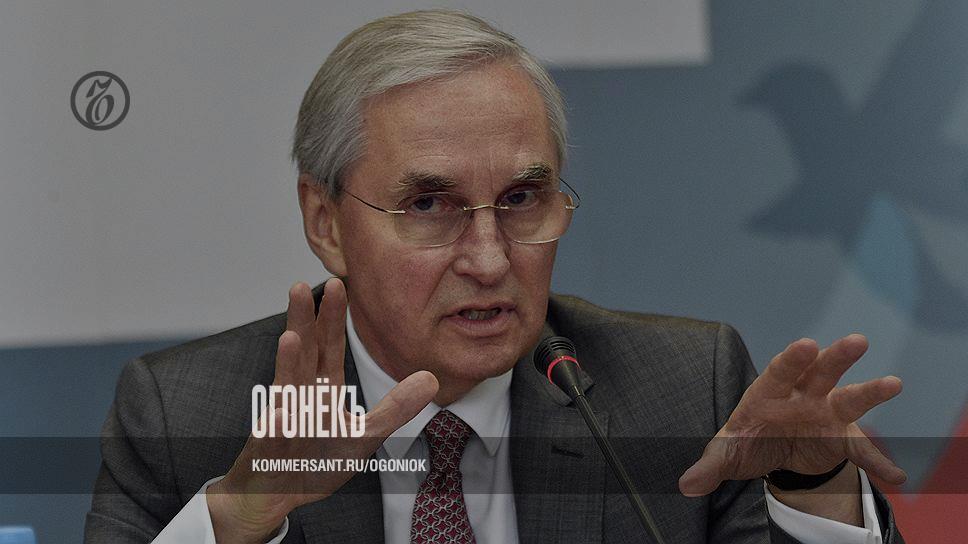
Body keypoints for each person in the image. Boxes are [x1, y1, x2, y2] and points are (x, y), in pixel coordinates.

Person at [84, 9, 907, 543]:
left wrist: (813, 485)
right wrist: (238, 517)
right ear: (326, 221)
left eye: (520, 199)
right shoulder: (185, 415)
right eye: (429, 205)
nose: (488, 259)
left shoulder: (684, 391)